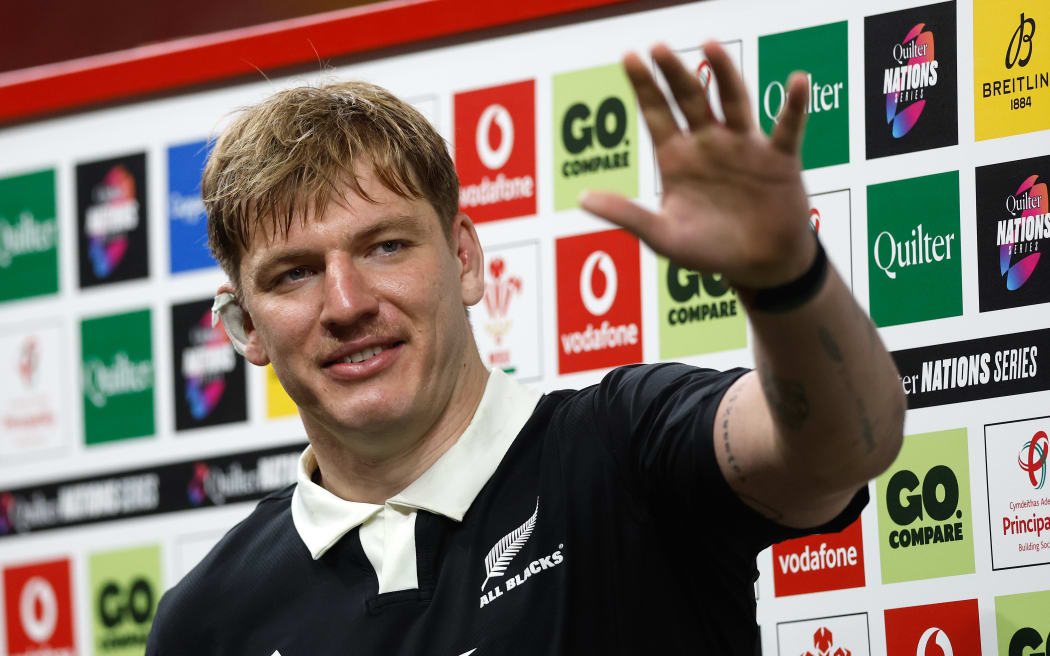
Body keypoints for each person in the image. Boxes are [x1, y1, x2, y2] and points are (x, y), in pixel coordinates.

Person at [146, 43, 905, 655]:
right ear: (245, 329)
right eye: (295, 274)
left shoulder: (623, 448)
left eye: (384, 247)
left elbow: (842, 448)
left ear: (466, 261)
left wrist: (785, 280)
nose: (346, 305)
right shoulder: (204, 622)